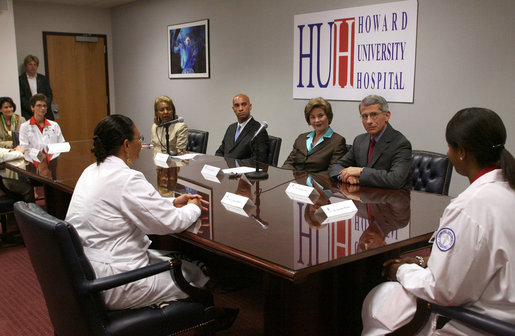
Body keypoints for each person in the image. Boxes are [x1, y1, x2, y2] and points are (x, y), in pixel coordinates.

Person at [362, 108, 515, 336]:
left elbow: (442, 291)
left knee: (380, 300)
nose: (448, 153)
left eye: (450, 147)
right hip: (501, 308)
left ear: (461, 152)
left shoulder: (469, 207)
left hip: (479, 324)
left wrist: (400, 269)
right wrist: (425, 261)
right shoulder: (506, 189)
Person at [65, 114, 211, 310]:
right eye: (139, 139)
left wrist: (173, 201)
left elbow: (140, 205)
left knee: (189, 268)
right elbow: (169, 223)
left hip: (86, 270)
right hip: (114, 281)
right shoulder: (126, 178)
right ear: (126, 145)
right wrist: (193, 206)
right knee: (194, 277)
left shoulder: (91, 171)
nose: (141, 144)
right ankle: (202, 317)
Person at [329, 95, 412, 189]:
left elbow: (396, 179)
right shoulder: (360, 140)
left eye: (374, 115)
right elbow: (336, 166)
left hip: (389, 200)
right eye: (364, 116)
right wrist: (346, 177)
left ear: (387, 115)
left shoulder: (401, 144)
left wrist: (361, 172)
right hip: (362, 197)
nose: (369, 121)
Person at [282, 97, 347, 172]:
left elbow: (332, 171)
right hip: (295, 181)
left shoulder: (338, 141)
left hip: (318, 183)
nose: (317, 120)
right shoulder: (301, 138)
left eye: (320, 116)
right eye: (313, 117)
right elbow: (289, 163)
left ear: (328, 116)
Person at [215, 94, 269, 163]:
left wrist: (233, 165)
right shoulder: (231, 128)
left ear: (250, 107)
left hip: (243, 172)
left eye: (244, 104)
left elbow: (258, 160)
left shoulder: (258, 130)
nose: (240, 109)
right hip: (226, 170)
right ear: (233, 109)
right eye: (237, 105)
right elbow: (220, 151)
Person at [19, 94, 65, 168]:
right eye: (39, 105)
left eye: (45, 106)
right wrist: (41, 158)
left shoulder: (54, 125)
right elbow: (24, 148)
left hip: (52, 162)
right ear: (32, 107)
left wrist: (49, 157)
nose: (42, 108)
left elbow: (62, 145)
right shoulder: (25, 126)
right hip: (33, 164)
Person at [19, 55, 54, 121]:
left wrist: (44, 106)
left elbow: (49, 94)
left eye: (35, 64)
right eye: (30, 64)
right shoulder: (21, 80)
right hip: (28, 113)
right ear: (26, 66)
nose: (33, 67)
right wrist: (33, 108)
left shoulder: (43, 79)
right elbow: (21, 97)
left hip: (45, 113)